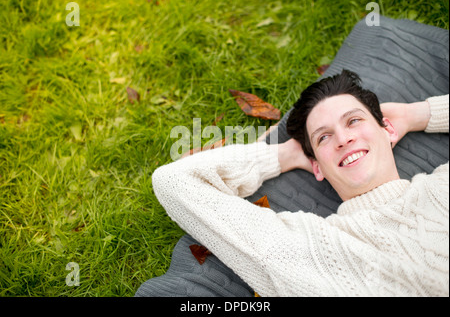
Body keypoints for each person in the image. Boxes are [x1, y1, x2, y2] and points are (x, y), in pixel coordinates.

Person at [151, 69, 449, 296]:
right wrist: (284, 154)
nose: (343, 139)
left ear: (388, 130)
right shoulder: (307, 245)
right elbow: (174, 181)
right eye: (324, 137)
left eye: (354, 121)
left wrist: (416, 114)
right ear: (316, 166)